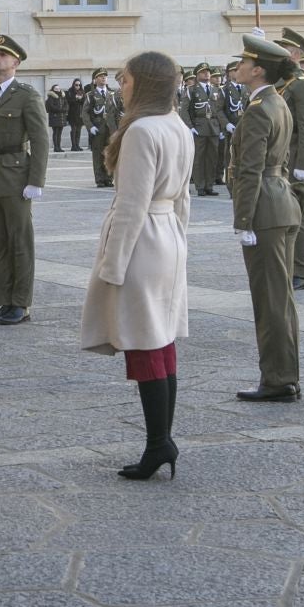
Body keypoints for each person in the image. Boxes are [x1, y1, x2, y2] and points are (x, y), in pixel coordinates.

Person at [81, 50, 192, 481]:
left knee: (146, 343)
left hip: (143, 238)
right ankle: (161, 440)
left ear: (143, 83)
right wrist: (180, 240)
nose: (119, 86)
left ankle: (158, 442)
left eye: (125, 79)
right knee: (161, 342)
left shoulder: (143, 130)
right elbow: (182, 197)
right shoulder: (178, 125)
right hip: (167, 236)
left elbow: (131, 205)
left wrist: (112, 265)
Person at [230, 35, 303, 402]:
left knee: (270, 299)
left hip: (265, 209)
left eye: (244, 63)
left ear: (258, 70)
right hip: (282, 203)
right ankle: (285, 374)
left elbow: (250, 169)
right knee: (282, 297)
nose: (237, 67)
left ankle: (277, 379)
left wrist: (243, 219)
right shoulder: (276, 102)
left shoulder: (259, 108)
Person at [0, 35, 50, 325]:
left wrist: (35, 180)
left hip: (16, 176)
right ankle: (4, 300)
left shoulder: (26, 95)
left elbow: (40, 140)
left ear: (15, 62)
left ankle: (21, 303)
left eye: (3, 54)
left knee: (20, 241)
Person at [273, 29, 304, 288]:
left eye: (282, 50)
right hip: (281, 158)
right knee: (287, 214)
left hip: (294, 161)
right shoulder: (283, 81)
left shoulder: (301, 83)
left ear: (293, 54)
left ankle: (301, 270)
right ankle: (290, 266)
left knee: (299, 215)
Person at [183, 64, 227, 196]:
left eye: (208, 72)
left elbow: (220, 110)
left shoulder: (216, 90)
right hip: (199, 126)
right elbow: (184, 110)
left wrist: (221, 127)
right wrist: (190, 127)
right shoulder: (192, 90)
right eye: (203, 72)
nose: (207, 74)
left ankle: (209, 185)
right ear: (197, 75)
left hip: (213, 126)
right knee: (199, 158)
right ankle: (200, 186)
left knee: (212, 158)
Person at [85, 68, 122, 187]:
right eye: (100, 76)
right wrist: (90, 127)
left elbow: (117, 111)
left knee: (110, 153)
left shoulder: (112, 94)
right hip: (98, 128)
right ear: (95, 80)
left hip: (111, 128)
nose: (103, 78)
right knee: (98, 154)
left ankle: (109, 177)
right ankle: (100, 179)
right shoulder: (90, 95)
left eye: (105, 76)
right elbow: (84, 113)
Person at [45, 84, 67, 153]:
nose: (58, 89)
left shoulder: (62, 96)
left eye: (58, 88)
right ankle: (56, 147)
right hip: (54, 117)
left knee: (59, 133)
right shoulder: (51, 97)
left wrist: (64, 109)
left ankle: (59, 147)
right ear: (53, 89)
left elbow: (66, 104)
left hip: (62, 117)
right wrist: (60, 109)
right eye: (56, 88)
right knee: (56, 132)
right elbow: (51, 106)